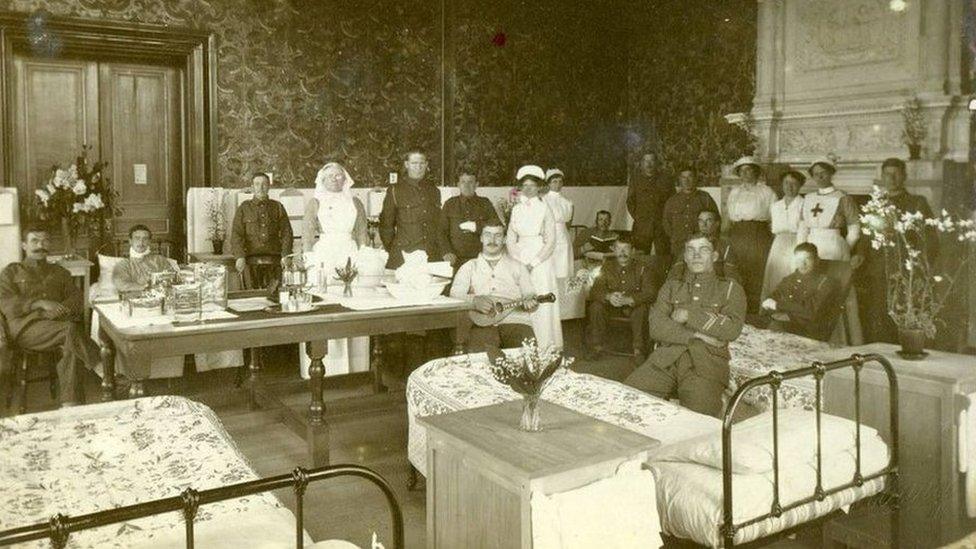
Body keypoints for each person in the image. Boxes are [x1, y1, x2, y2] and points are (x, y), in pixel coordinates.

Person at [624, 233, 746, 417]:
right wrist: (698, 335)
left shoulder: (730, 289)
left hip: (705, 365)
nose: (696, 255)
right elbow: (656, 327)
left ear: (714, 256)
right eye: (691, 250)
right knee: (625, 399)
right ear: (685, 257)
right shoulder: (671, 287)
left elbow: (732, 329)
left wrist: (689, 315)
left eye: (703, 250)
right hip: (666, 359)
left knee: (698, 421)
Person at [0, 225, 100, 411]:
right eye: (35, 241)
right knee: (70, 330)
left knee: (70, 343)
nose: (41, 245)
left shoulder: (59, 272)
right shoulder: (11, 272)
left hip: (56, 326)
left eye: (45, 241)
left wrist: (59, 310)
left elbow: (77, 298)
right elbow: (6, 304)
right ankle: (100, 368)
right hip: (24, 329)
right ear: (23, 245)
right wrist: (38, 304)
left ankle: (70, 404)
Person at [853, 157, 938, 344]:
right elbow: (866, 236)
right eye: (887, 174)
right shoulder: (875, 203)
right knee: (877, 313)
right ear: (882, 177)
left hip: (905, 271)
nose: (891, 178)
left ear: (904, 176)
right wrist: (859, 253)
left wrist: (920, 266)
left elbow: (930, 239)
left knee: (903, 314)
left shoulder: (917, 202)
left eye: (896, 174)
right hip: (877, 269)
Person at [301, 162, 369, 376]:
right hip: (324, 256)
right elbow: (307, 234)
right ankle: (322, 366)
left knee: (353, 302)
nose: (336, 179)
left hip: (350, 253)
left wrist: (365, 256)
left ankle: (356, 367)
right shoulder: (314, 202)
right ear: (322, 179)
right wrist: (309, 259)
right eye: (331, 176)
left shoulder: (355, 202)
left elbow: (361, 233)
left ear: (345, 178)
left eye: (339, 176)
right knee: (325, 303)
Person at [451, 222, 538, 364]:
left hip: (515, 321)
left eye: (498, 235)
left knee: (528, 356)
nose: (492, 240)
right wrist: (474, 301)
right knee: (480, 362)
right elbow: (454, 295)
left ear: (504, 239)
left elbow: (530, 296)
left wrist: (530, 303)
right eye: (488, 235)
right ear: (481, 238)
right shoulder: (469, 266)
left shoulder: (518, 267)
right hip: (481, 323)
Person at [506, 165, 563, 350]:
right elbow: (510, 238)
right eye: (525, 185)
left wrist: (534, 263)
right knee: (520, 298)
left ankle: (546, 347)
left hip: (540, 260)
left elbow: (551, 242)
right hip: (519, 257)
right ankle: (524, 347)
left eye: (532, 185)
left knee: (541, 301)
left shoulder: (545, 209)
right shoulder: (516, 209)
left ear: (539, 187)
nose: (528, 189)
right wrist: (517, 261)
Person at [379, 151, 456, 269]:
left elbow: (438, 226)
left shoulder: (434, 191)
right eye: (414, 163)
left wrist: (445, 250)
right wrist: (394, 250)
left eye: (422, 163)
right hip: (404, 257)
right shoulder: (395, 190)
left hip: (430, 255)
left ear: (426, 165)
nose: (418, 167)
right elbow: (386, 226)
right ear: (407, 164)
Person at [585, 237, 658, 362]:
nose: (622, 253)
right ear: (614, 250)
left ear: (633, 251)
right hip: (611, 307)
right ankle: (596, 347)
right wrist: (609, 297)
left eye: (626, 249)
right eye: (619, 249)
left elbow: (651, 292)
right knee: (596, 306)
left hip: (633, 307)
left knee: (641, 309)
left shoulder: (643, 268)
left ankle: (638, 350)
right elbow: (595, 291)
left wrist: (630, 299)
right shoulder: (607, 267)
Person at [726, 156, 777, 313]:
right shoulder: (734, 192)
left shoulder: (767, 191)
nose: (746, 173)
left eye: (749, 170)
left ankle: (755, 311)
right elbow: (729, 216)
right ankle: (737, 310)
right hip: (738, 234)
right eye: (742, 171)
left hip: (759, 234)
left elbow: (774, 217)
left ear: (756, 172)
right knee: (737, 270)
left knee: (757, 272)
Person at [761, 243, 839, 341]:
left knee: (773, 329)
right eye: (798, 259)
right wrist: (770, 304)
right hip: (784, 324)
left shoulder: (826, 282)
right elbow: (771, 298)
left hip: (808, 331)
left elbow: (811, 311)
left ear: (817, 260)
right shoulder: (789, 279)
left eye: (807, 259)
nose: (802, 264)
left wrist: (778, 306)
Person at [231, 172, 293, 289]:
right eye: (257, 184)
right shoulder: (244, 208)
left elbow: (287, 233)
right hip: (250, 262)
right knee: (251, 298)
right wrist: (239, 256)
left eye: (264, 184)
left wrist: (286, 255)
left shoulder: (278, 207)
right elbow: (236, 235)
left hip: (275, 261)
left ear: (269, 186)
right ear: (252, 187)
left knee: (275, 297)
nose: (261, 187)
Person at [796, 157, 860, 261]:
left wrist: (844, 248)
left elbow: (854, 228)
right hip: (810, 245)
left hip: (834, 246)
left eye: (823, 173)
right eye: (816, 174)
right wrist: (801, 249)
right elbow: (803, 227)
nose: (820, 177)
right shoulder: (808, 198)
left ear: (831, 173)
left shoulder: (843, 197)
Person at [761, 170, 805, 300]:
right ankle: (772, 309)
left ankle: (790, 310)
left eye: (794, 183)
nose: (789, 187)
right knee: (775, 275)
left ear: (800, 186)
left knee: (792, 273)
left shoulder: (804, 204)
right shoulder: (775, 206)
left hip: (797, 241)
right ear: (782, 184)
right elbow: (773, 227)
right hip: (778, 243)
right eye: (786, 183)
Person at [441, 170, 500, 266]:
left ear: (476, 184)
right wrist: (447, 252)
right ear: (458, 184)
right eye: (463, 182)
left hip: (480, 258)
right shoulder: (450, 204)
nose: (466, 185)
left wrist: (477, 226)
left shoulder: (485, 203)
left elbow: (497, 227)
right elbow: (441, 232)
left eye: (470, 182)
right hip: (455, 259)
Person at [666, 210, 741, 285]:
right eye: (700, 221)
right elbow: (675, 273)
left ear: (717, 224)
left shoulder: (725, 246)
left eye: (708, 221)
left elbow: (732, 278)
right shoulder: (690, 244)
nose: (704, 225)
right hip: (690, 289)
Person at [662, 166, 719, 256]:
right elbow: (666, 223)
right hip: (679, 248)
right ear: (679, 180)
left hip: (700, 246)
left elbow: (716, 220)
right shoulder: (672, 201)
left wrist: (710, 240)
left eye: (690, 176)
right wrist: (675, 238)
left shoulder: (705, 198)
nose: (686, 180)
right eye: (683, 177)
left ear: (695, 179)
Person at [627, 152, 673, 257]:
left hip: (662, 226)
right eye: (646, 161)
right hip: (642, 227)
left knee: (663, 256)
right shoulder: (635, 179)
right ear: (641, 163)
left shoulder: (665, 179)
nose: (649, 164)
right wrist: (640, 217)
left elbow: (672, 201)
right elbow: (630, 201)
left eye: (652, 160)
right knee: (640, 257)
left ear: (656, 163)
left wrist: (666, 219)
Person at [112, 224, 177, 293]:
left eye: (145, 239)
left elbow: (172, 278)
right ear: (130, 241)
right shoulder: (124, 264)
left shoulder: (160, 260)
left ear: (149, 241)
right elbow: (121, 285)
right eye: (137, 238)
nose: (141, 242)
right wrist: (146, 288)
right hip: (136, 299)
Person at [543, 168, 574, 282]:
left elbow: (568, 223)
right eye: (554, 181)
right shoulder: (543, 200)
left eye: (560, 181)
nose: (558, 184)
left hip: (563, 237)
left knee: (563, 266)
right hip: (547, 236)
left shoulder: (567, 202)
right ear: (549, 183)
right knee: (549, 268)